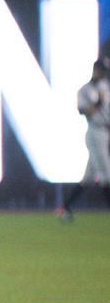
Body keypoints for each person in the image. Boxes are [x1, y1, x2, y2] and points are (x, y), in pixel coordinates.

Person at [57, 56, 110, 222]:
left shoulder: (106, 87)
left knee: (88, 177)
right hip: (95, 132)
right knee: (106, 173)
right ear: (95, 70)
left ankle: (65, 207)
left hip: (106, 132)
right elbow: (83, 111)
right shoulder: (85, 90)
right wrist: (98, 104)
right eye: (100, 70)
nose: (102, 74)